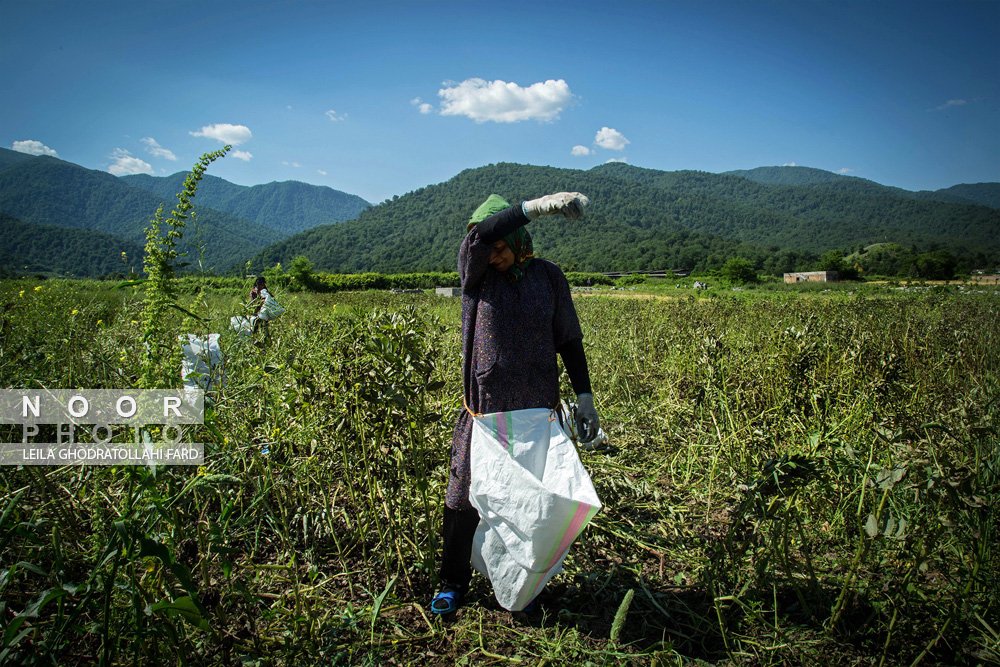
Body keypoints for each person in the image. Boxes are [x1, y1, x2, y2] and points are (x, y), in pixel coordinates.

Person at [431, 192, 601, 615]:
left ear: (519, 239)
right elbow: (484, 235)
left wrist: (585, 395)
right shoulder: (477, 275)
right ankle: (452, 581)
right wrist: (539, 206)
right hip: (486, 415)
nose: (493, 255)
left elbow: (568, 339)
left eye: (502, 247)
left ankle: (524, 582)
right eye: (488, 248)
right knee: (465, 497)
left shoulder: (548, 278)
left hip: (535, 415)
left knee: (530, 500)